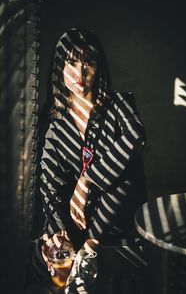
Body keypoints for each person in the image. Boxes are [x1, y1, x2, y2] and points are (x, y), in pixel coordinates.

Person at [39, 27, 147, 293]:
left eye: (89, 61)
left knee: (127, 164)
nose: (80, 72)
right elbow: (48, 178)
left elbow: (136, 136)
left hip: (116, 220)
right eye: (72, 62)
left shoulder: (120, 103)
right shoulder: (54, 121)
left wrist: (87, 180)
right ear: (59, 67)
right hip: (77, 223)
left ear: (99, 67)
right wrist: (56, 229)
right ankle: (77, 257)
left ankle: (89, 254)